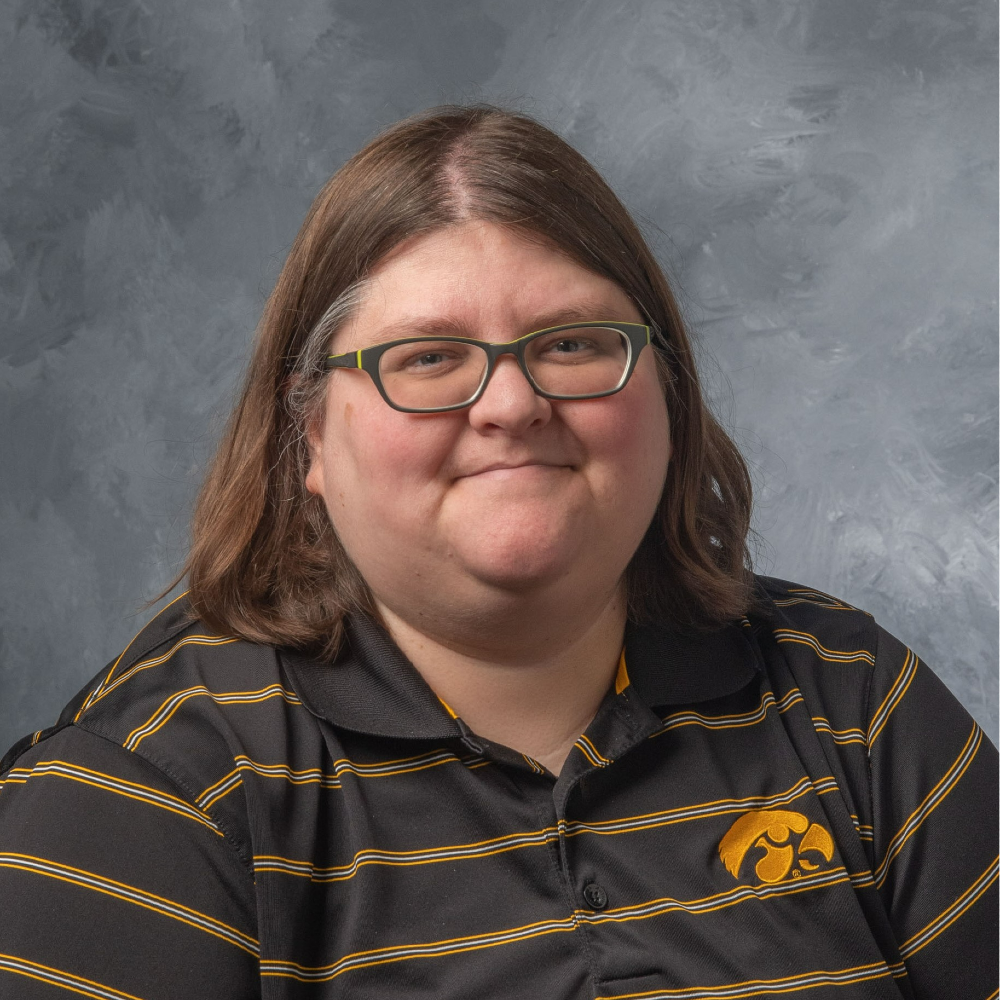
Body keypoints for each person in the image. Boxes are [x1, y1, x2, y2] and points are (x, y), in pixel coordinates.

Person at [1, 105, 998, 1000]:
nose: (513, 404)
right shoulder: (152, 785)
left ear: (666, 391)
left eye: (571, 343)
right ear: (311, 439)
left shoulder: (847, 693)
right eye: (428, 358)